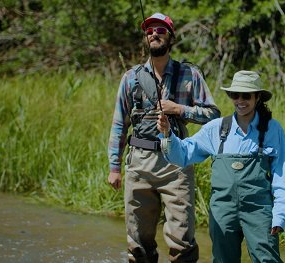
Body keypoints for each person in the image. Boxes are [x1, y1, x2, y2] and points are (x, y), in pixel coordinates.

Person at [107, 12, 221, 263]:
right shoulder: (131, 78)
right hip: (139, 164)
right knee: (138, 242)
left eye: (160, 30)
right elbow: (119, 125)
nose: (154, 34)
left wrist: (179, 110)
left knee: (182, 240)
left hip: (177, 164)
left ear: (171, 37)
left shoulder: (190, 74)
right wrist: (114, 167)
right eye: (149, 31)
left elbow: (214, 116)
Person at [157, 70, 285, 263]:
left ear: (257, 98)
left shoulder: (273, 129)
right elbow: (183, 154)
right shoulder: (216, 128)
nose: (240, 100)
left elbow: (283, 176)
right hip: (222, 211)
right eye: (235, 94)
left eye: (246, 95)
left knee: (267, 259)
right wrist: (167, 134)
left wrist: (279, 216)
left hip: (259, 211)